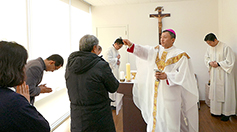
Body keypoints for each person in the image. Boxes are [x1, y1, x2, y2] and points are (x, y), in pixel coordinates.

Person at [123, 29, 199, 132]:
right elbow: (144, 51)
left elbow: (184, 75)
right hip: (156, 93)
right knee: (156, 116)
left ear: (173, 40)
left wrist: (167, 76)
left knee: (170, 120)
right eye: (161, 37)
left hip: (171, 94)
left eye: (165, 37)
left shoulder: (181, 55)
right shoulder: (156, 50)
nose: (162, 40)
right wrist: (131, 45)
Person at [65, 34, 119, 132]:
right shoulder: (101, 65)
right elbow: (113, 87)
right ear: (94, 48)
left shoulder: (70, 66)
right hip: (99, 116)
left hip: (77, 116)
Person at [0, 41, 50, 132]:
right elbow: (43, 128)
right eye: (23, 65)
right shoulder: (14, 102)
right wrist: (26, 103)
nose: (25, 69)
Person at [204, 33, 236, 121]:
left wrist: (218, 64)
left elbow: (230, 61)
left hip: (224, 74)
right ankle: (216, 111)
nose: (209, 45)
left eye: (210, 43)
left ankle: (227, 113)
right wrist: (209, 63)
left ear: (215, 40)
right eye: (208, 43)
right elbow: (206, 58)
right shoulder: (210, 48)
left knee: (226, 93)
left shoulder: (226, 47)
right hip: (215, 74)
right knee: (215, 93)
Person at [105, 37, 124, 109]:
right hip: (110, 71)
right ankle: (111, 104)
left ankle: (115, 103)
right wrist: (116, 59)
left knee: (115, 86)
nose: (119, 48)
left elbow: (116, 61)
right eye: (119, 46)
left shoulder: (116, 50)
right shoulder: (109, 50)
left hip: (115, 71)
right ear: (116, 44)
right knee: (111, 87)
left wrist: (118, 61)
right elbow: (108, 60)